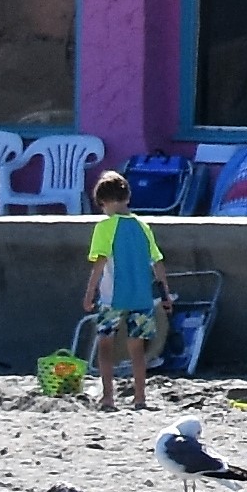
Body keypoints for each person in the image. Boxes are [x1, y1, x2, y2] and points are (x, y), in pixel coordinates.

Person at [82, 172, 163, 408]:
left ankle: (108, 397)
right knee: (137, 348)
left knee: (105, 344)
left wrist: (89, 293)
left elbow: (99, 263)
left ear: (104, 202)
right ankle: (140, 398)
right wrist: (165, 294)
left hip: (111, 297)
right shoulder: (143, 226)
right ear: (127, 197)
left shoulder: (105, 226)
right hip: (141, 297)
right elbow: (157, 262)